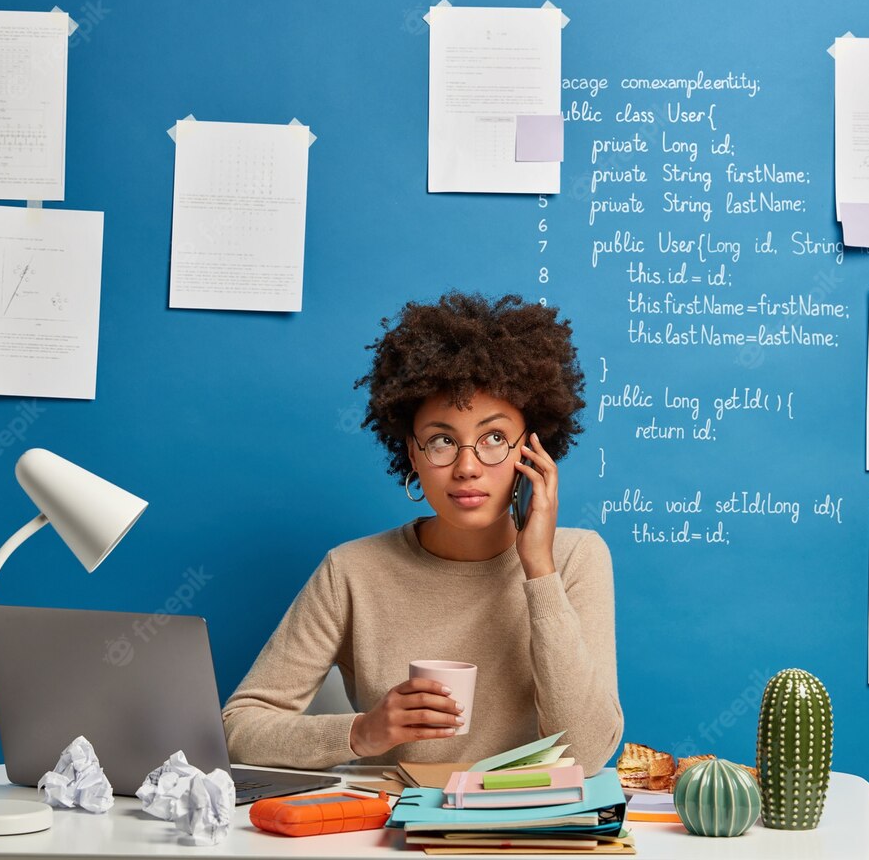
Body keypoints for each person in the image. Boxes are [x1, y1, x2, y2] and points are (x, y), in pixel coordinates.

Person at [221, 292, 623, 776]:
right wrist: (362, 731)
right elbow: (237, 727)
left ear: (532, 450)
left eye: (495, 438)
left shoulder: (577, 557)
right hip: (392, 833)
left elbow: (587, 752)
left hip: (527, 832)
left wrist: (539, 569)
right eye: (442, 441)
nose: (467, 467)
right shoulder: (351, 570)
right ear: (412, 455)